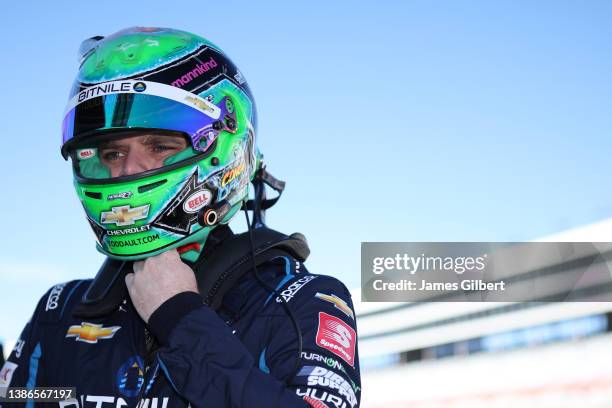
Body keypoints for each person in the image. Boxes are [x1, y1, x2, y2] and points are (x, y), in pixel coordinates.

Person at [0, 27, 360, 407]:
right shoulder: (61, 309)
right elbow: (31, 399)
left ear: (226, 148)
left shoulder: (297, 301)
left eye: (159, 147)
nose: (125, 172)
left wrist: (181, 319)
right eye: (111, 154)